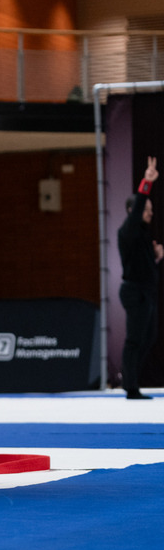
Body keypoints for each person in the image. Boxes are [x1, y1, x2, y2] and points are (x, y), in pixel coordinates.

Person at [117, 157, 162, 400]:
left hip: (145, 290)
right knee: (135, 338)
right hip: (134, 291)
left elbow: (142, 265)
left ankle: (129, 374)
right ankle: (131, 385)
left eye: (151, 210)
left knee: (150, 336)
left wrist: (155, 257)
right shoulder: (128, 230)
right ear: (133, 211)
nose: (150, 213)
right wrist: (147, 182)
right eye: (146, 209)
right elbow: (136, 213)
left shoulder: (142, 235)